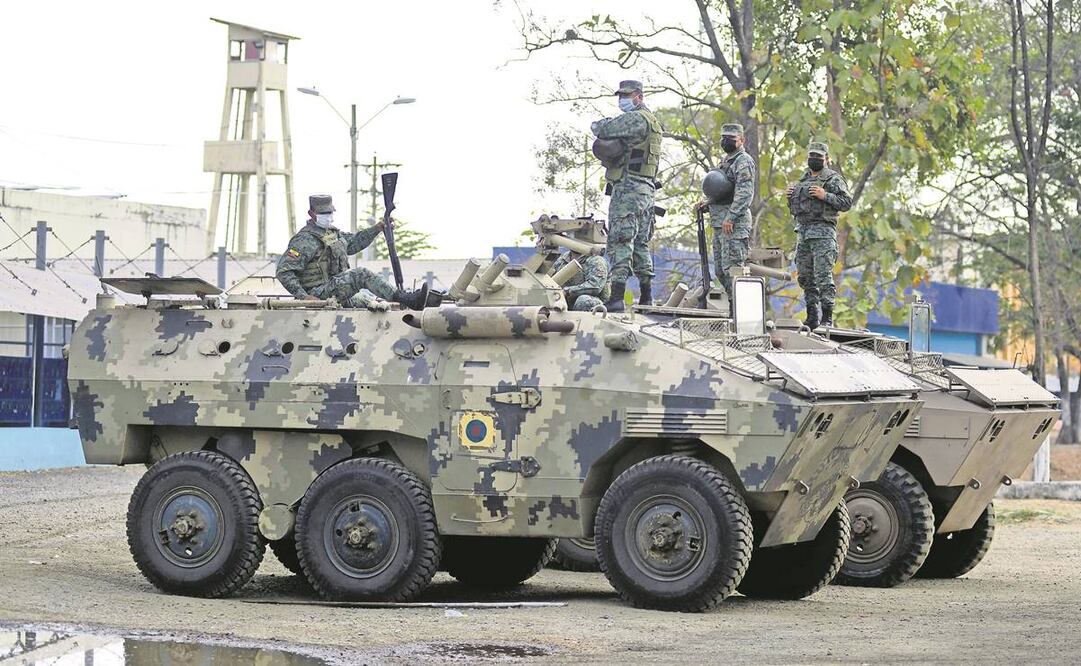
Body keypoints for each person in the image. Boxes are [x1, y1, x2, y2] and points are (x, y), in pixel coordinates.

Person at [276, 194, 432, 310]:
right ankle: (407, 298)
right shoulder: (304, 240)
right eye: (323, 213)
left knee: (372, 301)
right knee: (360, 275)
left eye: (329, 212)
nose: (328, 216)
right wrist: (305, 297)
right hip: (319, 293)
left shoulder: (333, 234)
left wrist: (378, 228)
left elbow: (354, 242)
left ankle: (421, 302)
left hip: (336, 290)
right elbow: (284, 272)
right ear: (312, 214)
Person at [590, 80, 662, 311]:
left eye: (627, 95)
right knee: (641, 243)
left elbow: (602, 129)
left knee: (621, 240)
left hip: (628, 189)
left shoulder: (636, 119)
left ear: (639, 96)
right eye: (620, 96)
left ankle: (617, 297)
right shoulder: (654, 122)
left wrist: (599, 123)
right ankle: (647, 297)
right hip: (647, 190)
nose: (622, 100)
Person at [787, 141, 852, 328]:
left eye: (818, 156)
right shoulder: (803, 180)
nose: (814, 159)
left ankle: (827, 318)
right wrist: (791, 196)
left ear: (826, 159)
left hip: (823, 234)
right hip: (803, 234)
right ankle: (812, 315)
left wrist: (825, 195)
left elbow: (847, 202)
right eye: (811, 156)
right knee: (805, 277)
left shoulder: (832, 179)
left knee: (823, 276)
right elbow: (797, 208)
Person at [696, 123, 755, 310]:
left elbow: (744, 194)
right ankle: (733, 306)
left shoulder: (743, 161)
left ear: (741, 140)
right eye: (723, 138)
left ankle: (741, 310)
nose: (726, 141)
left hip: (734, 224)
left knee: (734, 270)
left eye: (731, 138)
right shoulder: (726, 161)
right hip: (720, 223)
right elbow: (723, 191)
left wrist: (731, 217)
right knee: (721, 270)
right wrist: (708, 202)